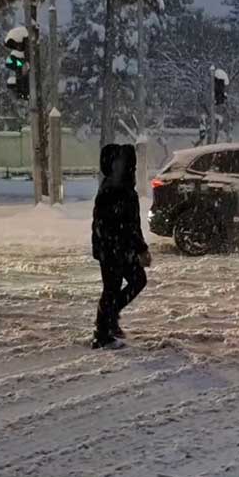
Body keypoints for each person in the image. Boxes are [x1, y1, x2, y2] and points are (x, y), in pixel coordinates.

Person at [92, 143, 151, 349]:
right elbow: (127, 226)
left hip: (116, 248)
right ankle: (102, 333)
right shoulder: (117, 190)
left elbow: (131, 224)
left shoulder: (119, 187)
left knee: (132, 282)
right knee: (115, 287)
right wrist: (141, 249)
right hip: (114, 248)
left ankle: (109, 320)